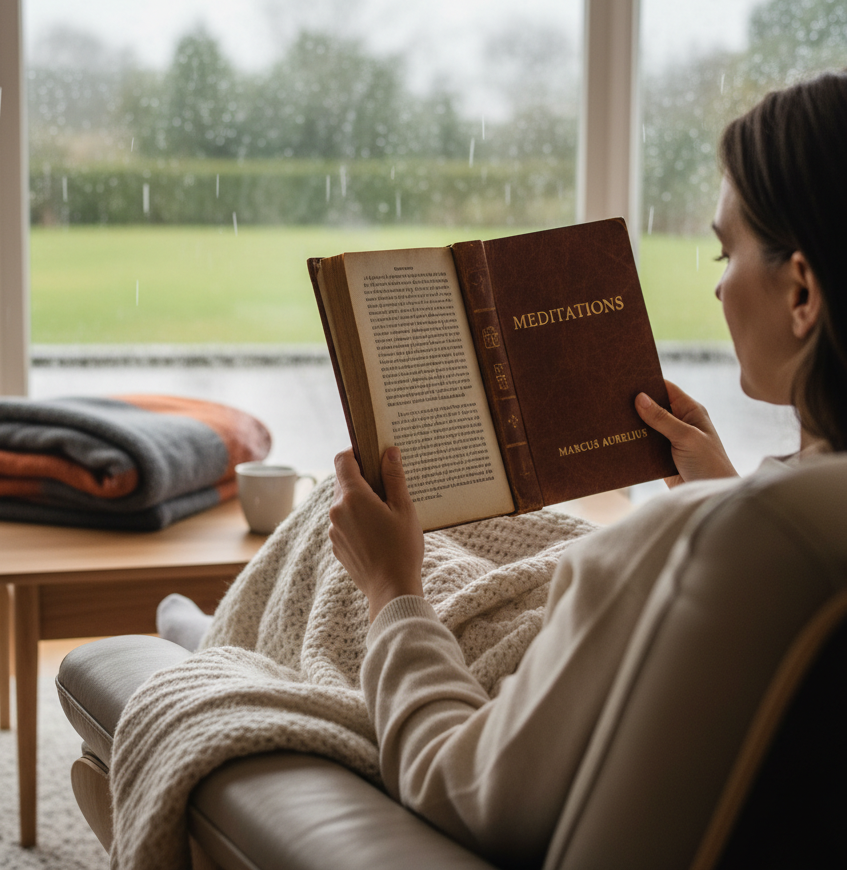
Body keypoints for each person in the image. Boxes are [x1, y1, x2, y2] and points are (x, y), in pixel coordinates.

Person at [328, 71, 847, 864]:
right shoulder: (795, 530)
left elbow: (455, 785)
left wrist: (393, 591)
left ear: (803, 291)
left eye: (726, 249)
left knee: (328, 542)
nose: (717, 282)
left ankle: (222, 654)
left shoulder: (686, 545)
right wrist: (730, 496)